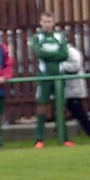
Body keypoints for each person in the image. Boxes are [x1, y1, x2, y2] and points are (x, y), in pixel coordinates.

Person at [31, 12, 69, 148]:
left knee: (61, 107)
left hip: (59, 76)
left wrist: (48, 55)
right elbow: (39, 53)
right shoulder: (37, 38)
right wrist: (55, 54)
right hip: (44, 77)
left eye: (49, 21)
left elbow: (65, 54)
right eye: (45, 21)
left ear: (53, 23)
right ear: (40, 22)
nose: (47, 24)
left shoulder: (60, 37)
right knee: (42, 107)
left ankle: (64, 139)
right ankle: (39, 139)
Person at [61, 44, 90, 144]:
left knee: (80, 114)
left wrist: (59, 66)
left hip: (73, 90)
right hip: (65, 89)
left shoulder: (72, 52)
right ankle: (64, 138)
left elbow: (75, 66)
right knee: (66, 113)